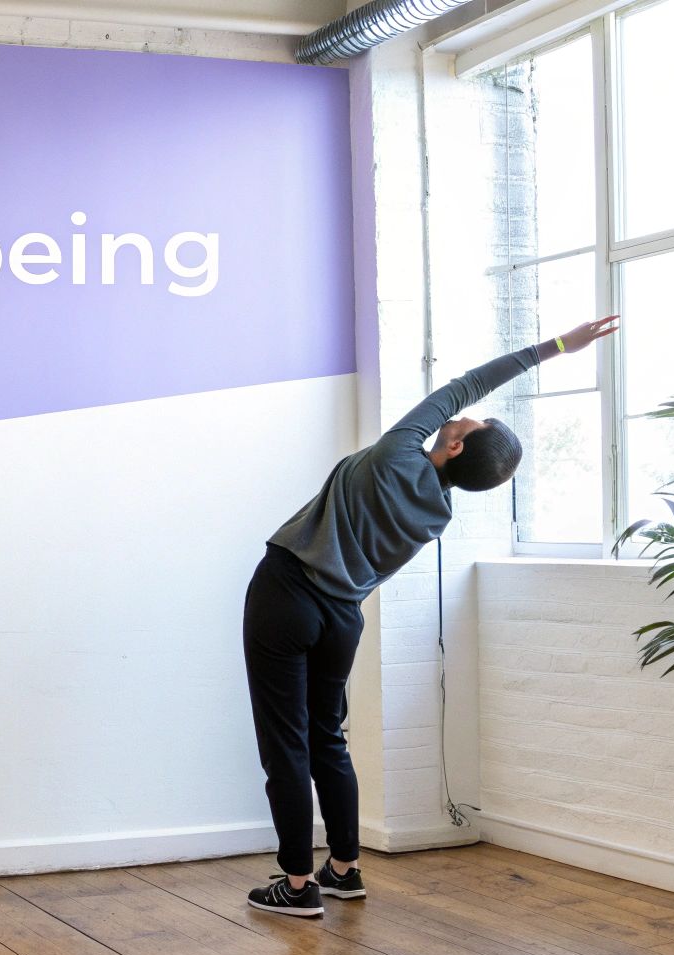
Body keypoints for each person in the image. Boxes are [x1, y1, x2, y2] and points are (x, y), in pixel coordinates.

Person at [242, 316, 621, 917]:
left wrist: (554, 347)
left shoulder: (398, 453)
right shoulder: (437, 514)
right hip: (342, 620)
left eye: (475, 423)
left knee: (285, 745)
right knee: (326, 741)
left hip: (286, 594)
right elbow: (464, 402)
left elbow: (465, 386)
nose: (467, 415)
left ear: (456, 446)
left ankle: (295, 885)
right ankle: (343, 868)